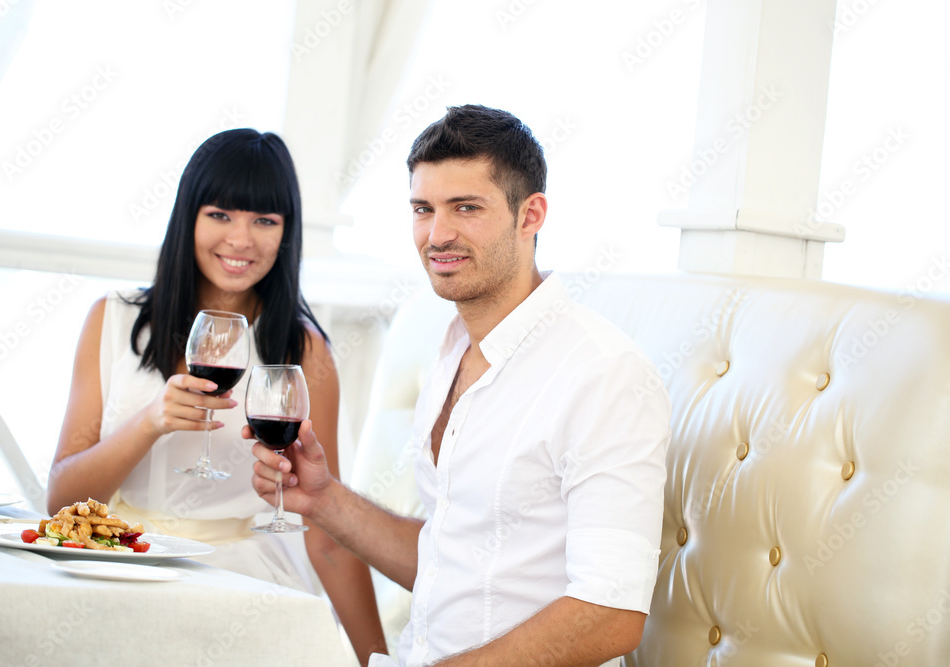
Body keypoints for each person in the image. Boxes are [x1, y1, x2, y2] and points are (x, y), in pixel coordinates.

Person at [249, 105, 671, 666]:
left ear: (531, 215)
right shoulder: (451, 349)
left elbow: (611, 614)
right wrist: (323, 499)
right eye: (423, 209)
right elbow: (450, 561)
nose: (437, 234)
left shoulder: (604, 374)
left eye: (466, 208)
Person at [48, 128, 386, 665]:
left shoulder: (304, 350)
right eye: (221, 214)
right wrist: (150, 421)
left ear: (287, 232)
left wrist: (379, 659)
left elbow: (326, 532)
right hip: (119, 564)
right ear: (189, 217)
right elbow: (61, 501)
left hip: (241, 581)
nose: (241, 239)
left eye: (265, 220)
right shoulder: (112, 319)